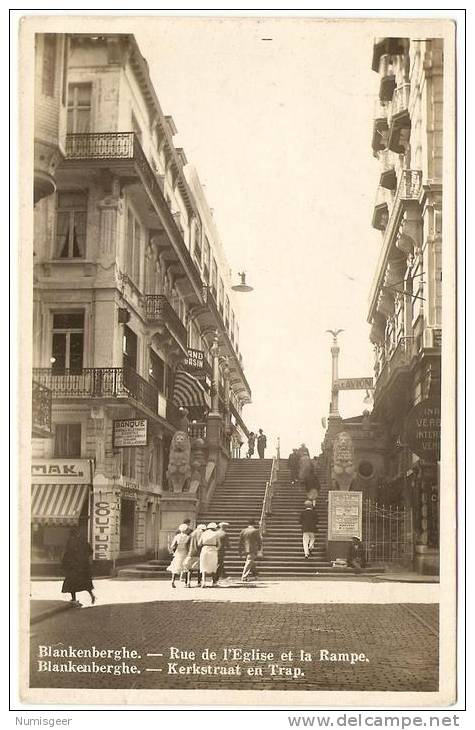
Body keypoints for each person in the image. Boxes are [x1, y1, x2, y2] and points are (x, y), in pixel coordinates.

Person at [61, 527, 95, 607]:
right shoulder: (83, 541)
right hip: (83, 566)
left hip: (74, 566)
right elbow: (91, 551)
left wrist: (64, 564)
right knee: (85, 582)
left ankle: (74, 599)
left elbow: (67, 553)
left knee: (72, 582)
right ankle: (92, 595)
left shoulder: (70, 542)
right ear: (78, 534)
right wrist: (84, 558)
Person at [199, 522, 220, 588]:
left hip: (205, 549)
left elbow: (199, 543)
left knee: (203, 565)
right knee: (213, 565)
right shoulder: (216, 534)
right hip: (213, 549)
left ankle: (204, 582)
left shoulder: (203, 534)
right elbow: (218, 544)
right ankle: (213, 582)